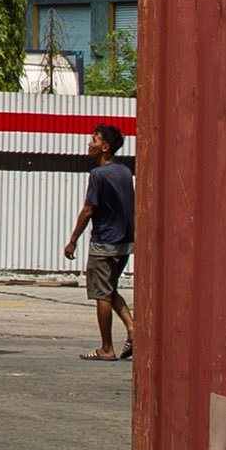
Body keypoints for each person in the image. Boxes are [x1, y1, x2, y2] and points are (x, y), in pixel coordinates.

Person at [62, 123, 134, 360]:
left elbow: (88, 210)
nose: (89, 143)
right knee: (110, 288)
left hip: (104, 242)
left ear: (105, 147)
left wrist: (73, 240)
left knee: (101, 294)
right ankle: (134, 330)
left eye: (94, 140)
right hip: (125, 243)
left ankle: (107, 348)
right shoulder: (125, 172)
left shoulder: (98, 175)